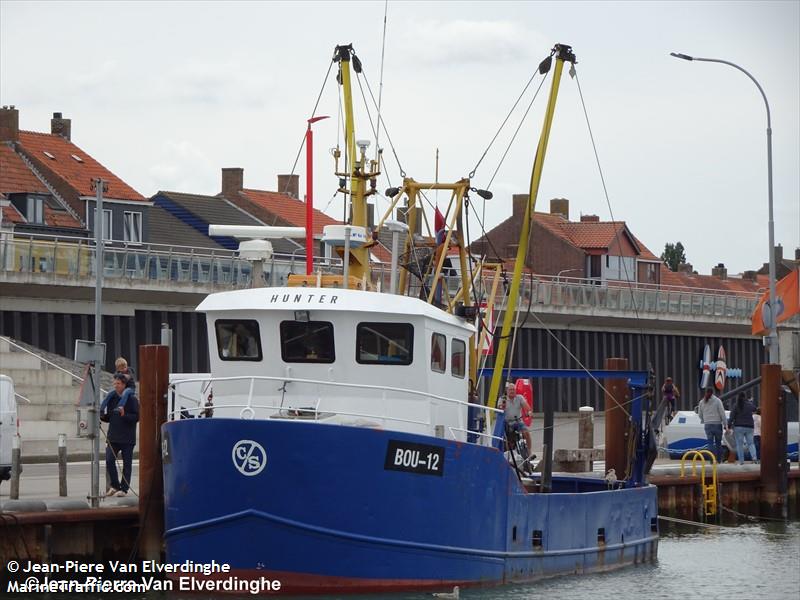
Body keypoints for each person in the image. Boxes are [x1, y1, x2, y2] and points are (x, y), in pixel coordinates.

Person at [100, 374, 139, 497]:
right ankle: (115, 485)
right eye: (114, 384)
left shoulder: (132, 399)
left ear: (124, 385)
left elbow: (137, 417)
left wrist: (124, 415)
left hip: (127, 438)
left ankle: (124, 488)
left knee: (127, 464)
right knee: (109, 460)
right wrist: (103, 417)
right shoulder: (112, 399)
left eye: (118, 384)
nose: (116, 386)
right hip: (113, 436)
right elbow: (111, 417)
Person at [498, 382, 533, 456]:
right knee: (506, 440)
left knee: (526, 433)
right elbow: (500, 409)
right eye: (510, 390)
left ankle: (529, 451)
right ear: (507, 391)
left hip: (517, 421)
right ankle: (508, 455)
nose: (512, 391)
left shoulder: (519, 398)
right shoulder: (502, 399)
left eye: (513, 389)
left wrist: (529, 412)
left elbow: (526, 406)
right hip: (507, 422)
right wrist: (503, 405)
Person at [727, 392, 759, 465]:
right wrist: (749, 401)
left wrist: (728, 426)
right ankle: (754, 459)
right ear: (745, 397)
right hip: (749, 427)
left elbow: (731, 417)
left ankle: (741, 462)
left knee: (739, 445)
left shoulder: (736, 405)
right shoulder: (749, 404)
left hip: (738, 427)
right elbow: (754, 408)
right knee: (751, 443)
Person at [697, 387, 726, 462]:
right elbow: (722, 413)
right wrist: (725, 424)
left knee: (710, 443)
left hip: (707, 425)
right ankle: (719, 460)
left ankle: (711, 460)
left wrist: (704, 420)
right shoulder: (717, 401)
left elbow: (700, 414)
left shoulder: (701, 402)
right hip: (717, 424)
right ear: (713, 393)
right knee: (718, 443)